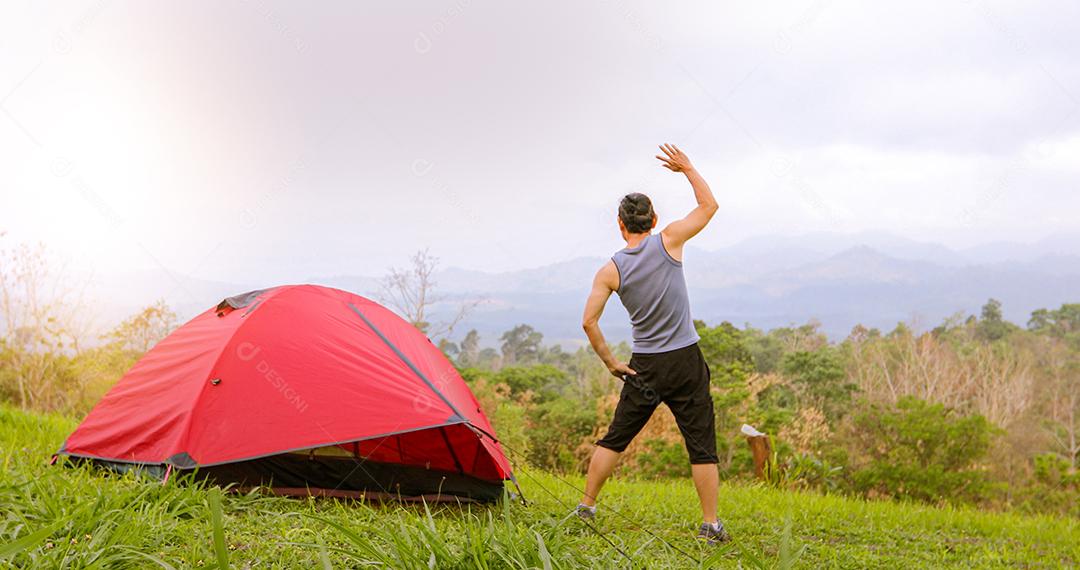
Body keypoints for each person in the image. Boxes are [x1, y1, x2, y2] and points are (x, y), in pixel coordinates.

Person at [577, 144, 729, 544]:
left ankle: (587, 506)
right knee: (701, 445)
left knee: (615, 438)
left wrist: (611, 363)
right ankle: (711, 525)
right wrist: (688, 168)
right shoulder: (670, 240)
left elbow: (588, 322)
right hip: (685, 361)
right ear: (654, 219)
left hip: (644, 365)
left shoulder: (610, 270)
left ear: (620, 224)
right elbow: (709, 206)